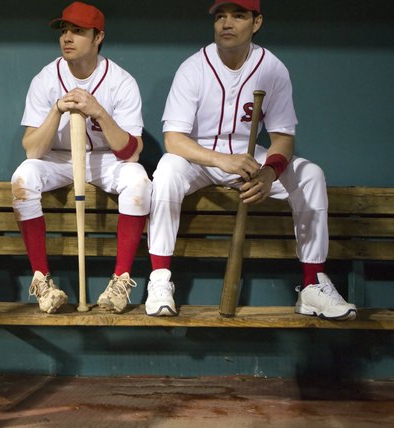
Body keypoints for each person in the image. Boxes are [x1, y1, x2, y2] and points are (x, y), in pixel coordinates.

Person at [146, 0, 357, 320]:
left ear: (256, 22)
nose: (226, 23)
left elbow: (283, 137)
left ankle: (313, 284)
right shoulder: (194, 67)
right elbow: (174, 140)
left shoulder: (272, 68)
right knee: (165, 171)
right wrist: (220, 160)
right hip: (200, 155)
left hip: (250, 157)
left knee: (311, 174)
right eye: (220, 16)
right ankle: (160, 280)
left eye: (238, 15)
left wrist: (270, 173)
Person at [12, 2, 151, 314]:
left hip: (106, 161)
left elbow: (131, 151)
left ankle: (120, 281)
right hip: (58, 160)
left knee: (139, 180)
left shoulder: (121, 82)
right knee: (23, 177)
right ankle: (42, 282)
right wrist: (56, 110)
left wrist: (98, 111)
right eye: (64, 30)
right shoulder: (45, 79)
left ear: (98, 36)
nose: (67, 37)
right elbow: (32, 150)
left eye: (77, 31)